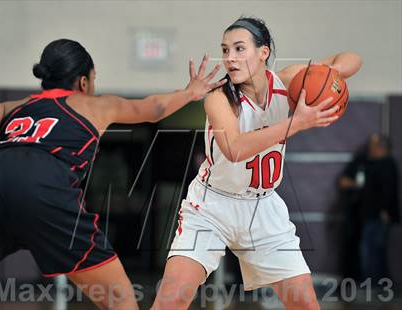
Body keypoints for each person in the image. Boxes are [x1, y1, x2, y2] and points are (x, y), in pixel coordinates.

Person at [0, 38, 225, 309]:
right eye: (94, 79)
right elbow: (153, 108)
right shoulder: (94, 105)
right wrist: (191, 92)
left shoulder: (13, 108)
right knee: (120, 300)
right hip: (42, 183)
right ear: (83, 82)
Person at [152, 17, 362, 310]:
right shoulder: (218, 98)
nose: (230, 58)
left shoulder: (287, 81)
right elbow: (235, 148)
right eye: (225, 50)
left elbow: (352, 59)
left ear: (263, 52)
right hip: (211, 207)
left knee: (306, 306)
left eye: (239, 49)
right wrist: (296, 123)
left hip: (262, 208)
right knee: (171, 300)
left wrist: (329, 74)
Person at [339, 133, 399, 284]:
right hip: (360, 215)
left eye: (373, 144)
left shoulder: (388, 164)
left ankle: (375, 285)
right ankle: (368, 284)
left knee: (373, 251)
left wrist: (385, 211)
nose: (369, 147)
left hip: (377, 216)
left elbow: (389, 191)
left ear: (381, 147)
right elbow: (344, 181)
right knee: (364, 250)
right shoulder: (363, 161)